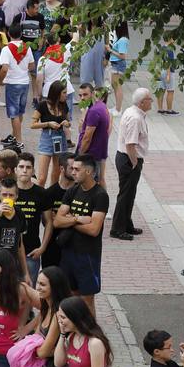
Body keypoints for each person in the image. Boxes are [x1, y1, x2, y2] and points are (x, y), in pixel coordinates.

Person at [54, 154, 109, 313]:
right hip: (68, 253)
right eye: (72, 168)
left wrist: (71, 220)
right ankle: (73, 332)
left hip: (88, 255)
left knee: (87, 299)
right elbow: (57, 221)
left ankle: (92, 335)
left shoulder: (100, 195)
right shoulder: (73, 190)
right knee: (70, 296)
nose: (73, 172)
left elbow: (93, 230)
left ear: (88, 172)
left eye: (77, 169)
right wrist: (78, 219)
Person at [110, 87, 151, 242]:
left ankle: (126, 223)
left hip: (125, 157)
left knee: (129, 194)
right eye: (149, 99)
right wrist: (134, 163)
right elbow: (130, 144)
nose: (151, 101)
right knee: (125, 195)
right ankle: (117, 228)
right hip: (129, 159)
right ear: (141, 103)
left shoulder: (132, 111)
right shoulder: (135, 118)